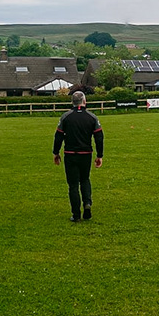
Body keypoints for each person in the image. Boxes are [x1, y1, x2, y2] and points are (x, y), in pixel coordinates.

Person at [53, 91, 104, 223]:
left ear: (72, 102)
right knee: (85, 179)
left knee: (73, 185)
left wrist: (56, 152)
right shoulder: (92, 117)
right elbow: (99, 137)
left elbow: (58, 136)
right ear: (84, 101)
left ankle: (76, 214)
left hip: (70, 154)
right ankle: (87, 203)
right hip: (86, 154)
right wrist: (99, 155)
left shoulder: (66, 117)